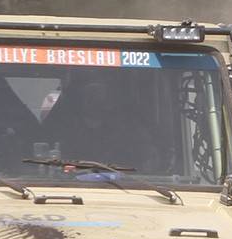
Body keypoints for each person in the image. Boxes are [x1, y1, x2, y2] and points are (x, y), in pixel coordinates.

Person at [40, 71, 172, 173]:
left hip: (123, 185)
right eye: (89, 93)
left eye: (99, 92)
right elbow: (42, 160)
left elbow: (150, 157)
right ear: (78, 97)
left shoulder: (129, 128)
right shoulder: (60, 128)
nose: (94, 99)